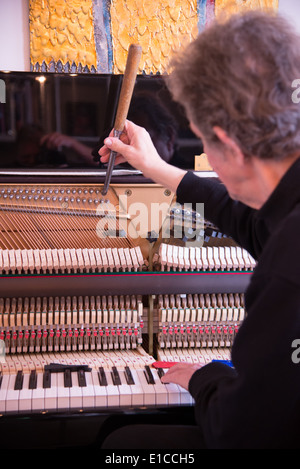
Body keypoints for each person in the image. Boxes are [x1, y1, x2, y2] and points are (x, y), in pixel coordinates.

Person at [98, 10, 300, 449]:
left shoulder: (288, 263)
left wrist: (204, 376)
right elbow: (243, 217)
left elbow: (238, 430)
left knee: (123, 446)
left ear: (226, 144)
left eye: (202, 142)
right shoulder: (288, 210)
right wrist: (156, 167)